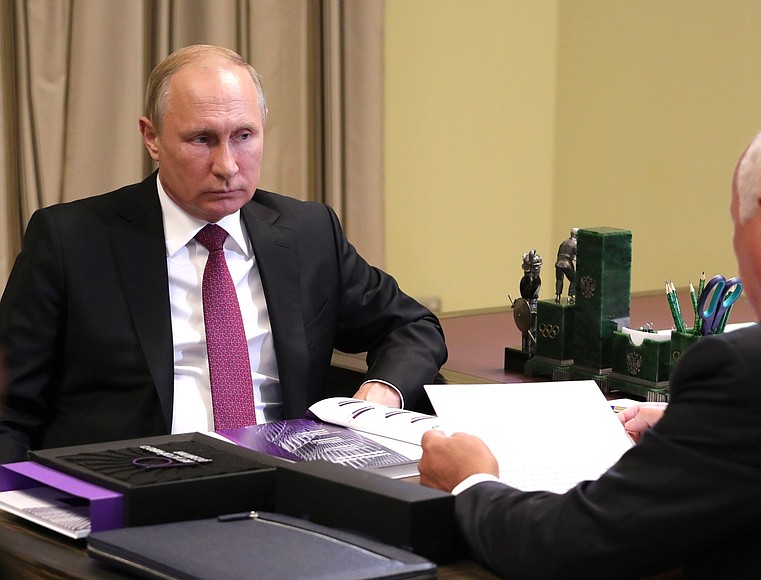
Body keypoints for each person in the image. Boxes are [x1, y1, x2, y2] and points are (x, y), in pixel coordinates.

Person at [419, 102, 761, 579]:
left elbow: (572, 546)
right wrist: (703, 426)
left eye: (736, 224)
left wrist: (472, 483)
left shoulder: (756, 371)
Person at [0, 44, 447, 463]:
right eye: (202, 139)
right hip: (130, 486)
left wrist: (380, 394)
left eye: (244, 135)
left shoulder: (307, 233)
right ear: (152, 137)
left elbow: (411, 326)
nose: (228, 165)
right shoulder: (71, 241)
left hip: (286, 481)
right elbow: (8, 411)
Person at [554, 227, 577, 304]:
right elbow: (577, 255)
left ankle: (558, 295)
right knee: (574, 279)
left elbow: (559, 254)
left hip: (558, 263)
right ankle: (571, 295)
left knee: (559, 279)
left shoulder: (563, 242)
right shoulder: (575, 243)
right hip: (567, 264)